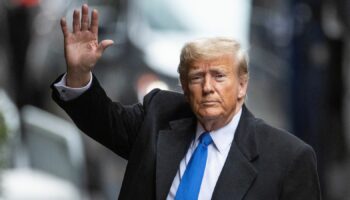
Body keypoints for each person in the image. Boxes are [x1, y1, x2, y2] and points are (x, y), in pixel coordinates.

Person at [51, 4, 321, 200]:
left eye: (219, 76)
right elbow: (102, 119)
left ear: (242, 85)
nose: (207, 88)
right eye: (196, 77)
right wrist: (79, 73)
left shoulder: (288, 158)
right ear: (182, 85)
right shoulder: (160, 114)